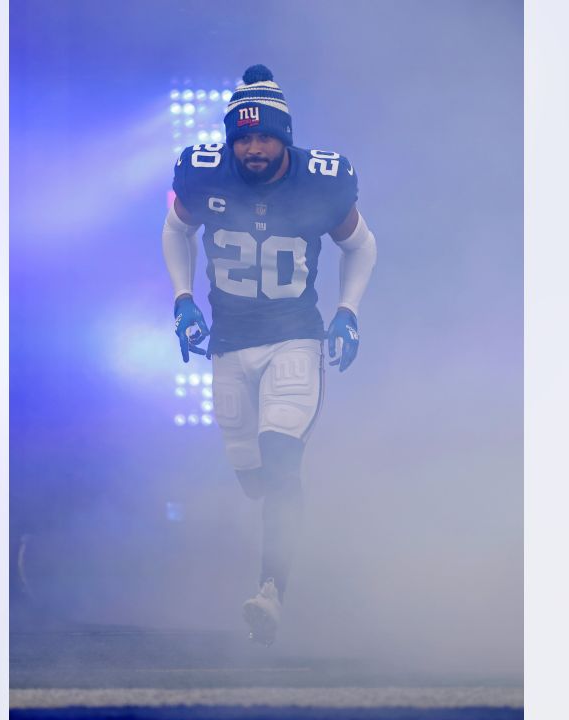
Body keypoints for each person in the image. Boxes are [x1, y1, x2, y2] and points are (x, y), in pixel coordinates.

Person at [161, 64, 377, 646]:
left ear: (286, 137)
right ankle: (283, 553)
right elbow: (175, 229)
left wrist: (347, 311)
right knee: (254, 478)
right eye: (244, 137)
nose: (254, 149)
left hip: (294, 337)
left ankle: (271, 593)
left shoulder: (321, 181)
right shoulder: (204, 174)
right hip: (230, 342)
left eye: (265, 136)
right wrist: (183, 300)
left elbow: (361, 245)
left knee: (281, 460)